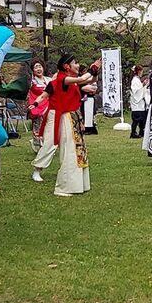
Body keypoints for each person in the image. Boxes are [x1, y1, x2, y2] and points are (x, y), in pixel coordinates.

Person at [31, 53, 100, 196]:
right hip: (57, 115)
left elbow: (89, 80)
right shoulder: (61, 79)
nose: (78, 65)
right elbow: (45, 95)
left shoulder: (67, 80)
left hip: (71, 116)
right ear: (66, 66)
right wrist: (36, 103)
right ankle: (38, 169)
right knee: (53, 144)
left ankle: (77, 182)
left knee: (76, 149)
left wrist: (95, 72)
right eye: (75, 63)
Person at [28, 60, 49, 149]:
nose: (38, 69)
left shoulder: (48, 80)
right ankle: (38, 144)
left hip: (48, 105)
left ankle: (46, 145)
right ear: (33, 70)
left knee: (48, 126)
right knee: (38, 126)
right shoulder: (31, 82)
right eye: (36, 67)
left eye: (40, 66)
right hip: (37, 106)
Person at [129, 65, 148, 139]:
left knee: (142, 119)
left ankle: (141, 131)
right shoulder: (135, 80)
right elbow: (135, 91)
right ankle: (133, 132)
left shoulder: (137, 79)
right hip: (136, 103)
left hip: (140, 103)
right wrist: (143, 85)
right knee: (136, 120)